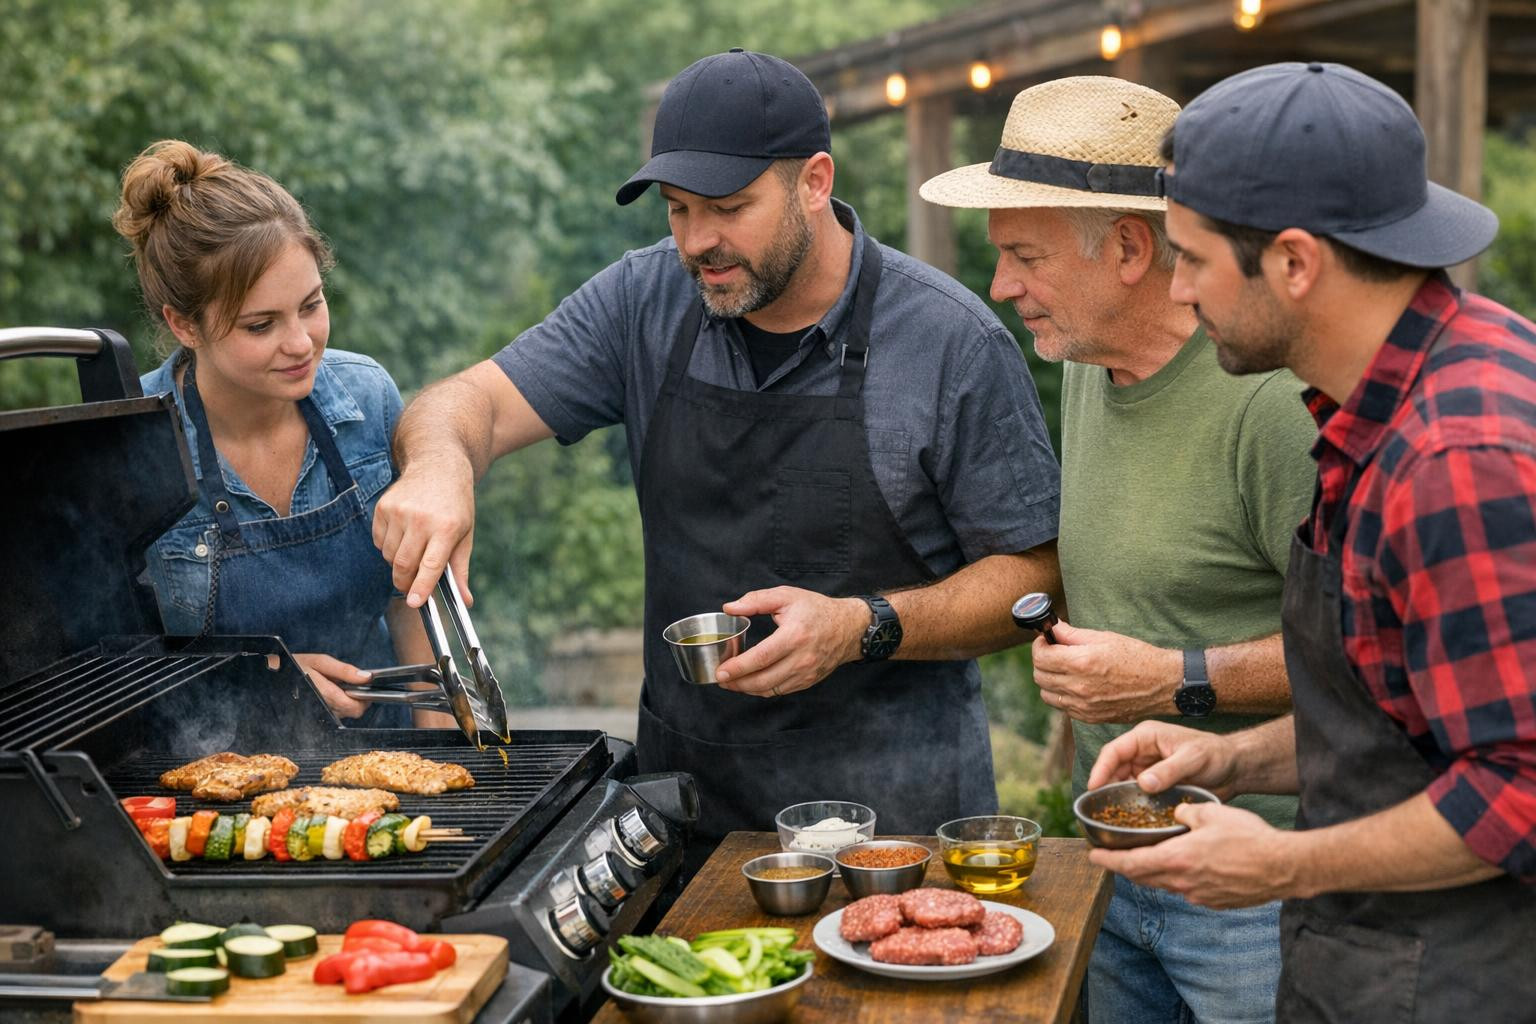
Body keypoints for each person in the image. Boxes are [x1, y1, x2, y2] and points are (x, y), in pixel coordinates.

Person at [373, 49, 1063, 856]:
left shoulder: (950, 341)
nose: (698, 241)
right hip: (684, 808)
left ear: (814, 182)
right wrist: (439, 465)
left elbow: (1039, 580)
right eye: (677, 209)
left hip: (895, 830)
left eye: (729, 208)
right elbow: (465, 403)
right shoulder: (641, 301)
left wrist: (861, 625)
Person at [1087, 62, 1536, 1020]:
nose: (1176, 287)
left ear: (1294, 262)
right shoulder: (1380, 399)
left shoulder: (1460, 456)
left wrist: (1280, 862)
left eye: (1193, 258)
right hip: (1371, 961)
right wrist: (1229, 761)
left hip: (1457, 985)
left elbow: (1520, 794)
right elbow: (1405, 725)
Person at [921, 77, 1316, 1023]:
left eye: (1024, 256)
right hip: (1111, 860)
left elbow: (1371, 668)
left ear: (1132, 249)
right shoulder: (1090, 357)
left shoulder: (1271, 407)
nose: (1000, 287)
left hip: (1252, 887)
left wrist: (1170, 677)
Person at [116, 139, 450, 728]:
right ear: (183, 324)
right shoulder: (126, 441)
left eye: (311, 305)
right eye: (261, 324)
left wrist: (442, 758)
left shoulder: (368, 399)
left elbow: (410, 600)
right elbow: (106, 664)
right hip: (212, 775)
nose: (300, 343)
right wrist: (264, 678)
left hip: (387, 762)